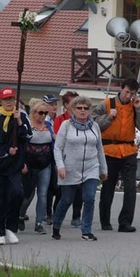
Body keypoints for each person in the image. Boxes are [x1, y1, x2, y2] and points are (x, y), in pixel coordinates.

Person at [93, 78, 140, 233]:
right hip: (109, 150)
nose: (128, 96)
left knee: (131, 188)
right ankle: (105, 221)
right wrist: (108, 117)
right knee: (108, 187)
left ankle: (125, 222)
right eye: (127, 92)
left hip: (128, 151)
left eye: (132, 93)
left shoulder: (135, 106)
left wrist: (139, 108)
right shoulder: (106, 104)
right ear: (121, 89)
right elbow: (93, 125)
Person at [51, 96, 108, 241]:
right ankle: (56, 225)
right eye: (79, 108)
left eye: (86, 108)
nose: (82, 111)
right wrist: (61, 166)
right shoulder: (66, 125)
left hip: (91, 167)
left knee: (89, 198)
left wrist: (103, 169)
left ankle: (86, 231)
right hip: (70, 168)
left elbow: (99, 148)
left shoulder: (94, 126)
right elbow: (57, 148)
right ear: (73, 110)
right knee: (67, 200)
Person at [0, 87, 32, 246]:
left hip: (15, 166)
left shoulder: (21, 115)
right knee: (0, 199)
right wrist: (6, 151)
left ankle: (11, 228)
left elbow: (28, 136)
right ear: (0, 101)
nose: (9, 102)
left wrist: (19, 122)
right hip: (0, 165)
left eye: (11, 99)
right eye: (6, 100)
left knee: (17, 194)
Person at [19, 99, 54, 235]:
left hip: (45, 163)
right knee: (28, 193)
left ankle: (39, 223)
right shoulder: (27, 126)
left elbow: (54, 143)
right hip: (30, 163)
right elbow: (22, 145)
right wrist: (23, 163)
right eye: (40, 113)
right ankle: (20, 215)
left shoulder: (48, 125)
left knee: (43, 194)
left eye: (45, 113)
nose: (43, 115)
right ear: (33, 113)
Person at [52, 91, 82, 226]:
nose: (77, 106)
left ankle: (76, 217)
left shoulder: (83, 119)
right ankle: (56, 215)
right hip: (64, 158)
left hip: (80, 158)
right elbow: (58, 139)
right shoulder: (60, 120)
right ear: (65, 105)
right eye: (73, 103)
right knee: (62, 190)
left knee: (79, 189)